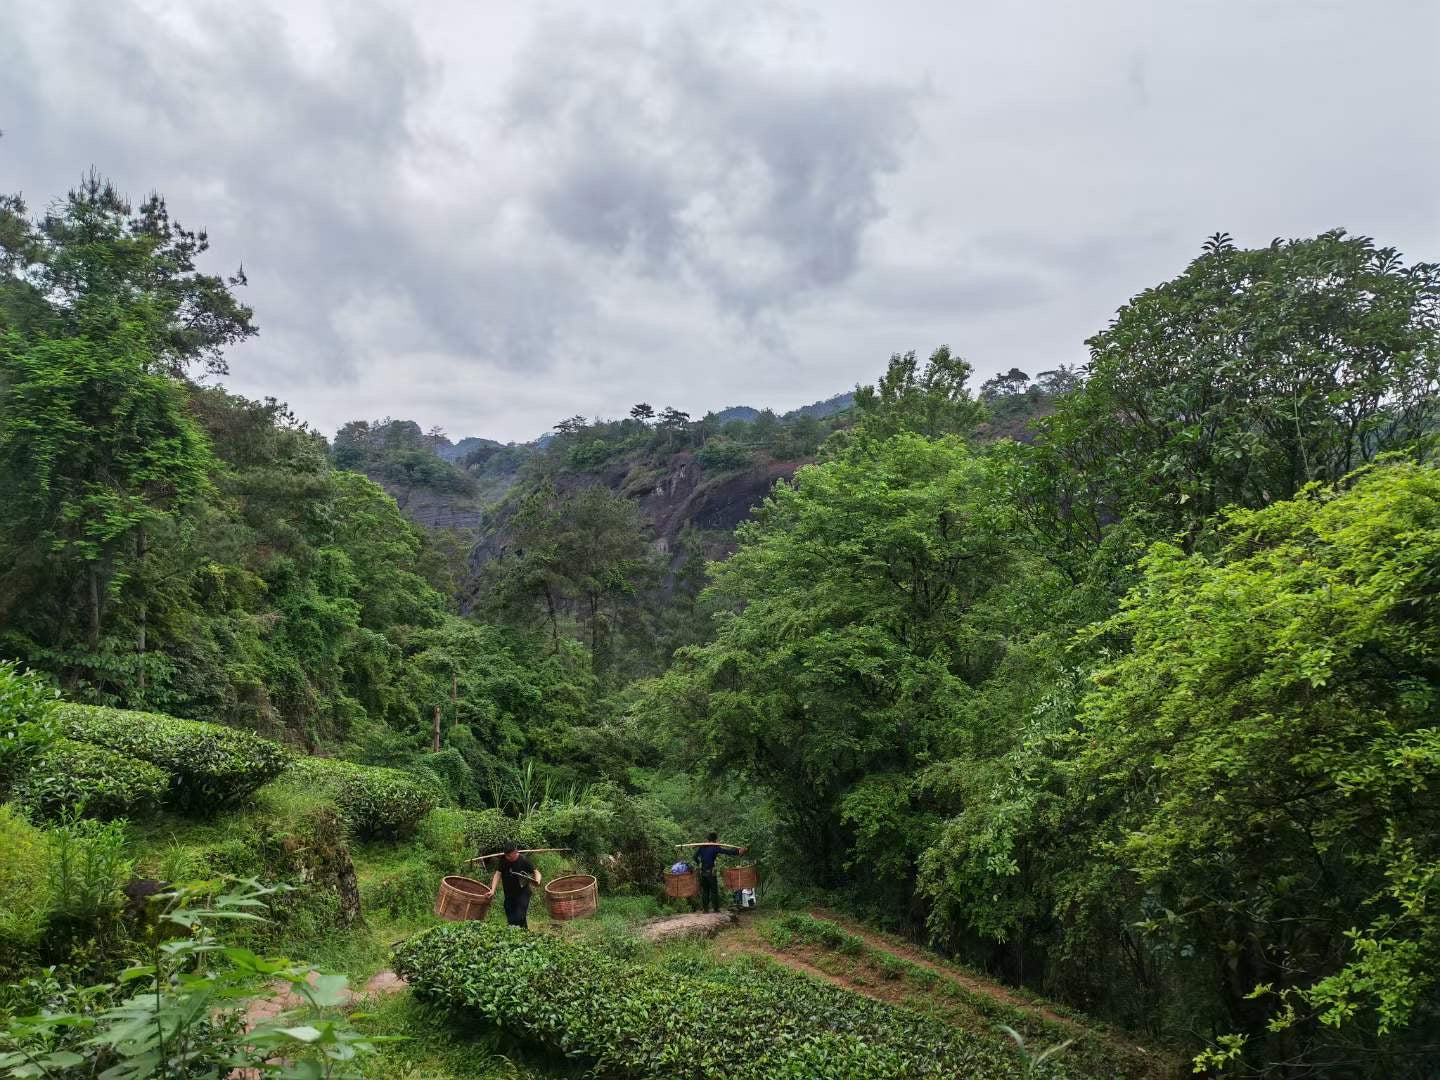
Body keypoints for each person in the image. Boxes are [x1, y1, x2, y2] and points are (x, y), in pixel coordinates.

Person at [490, 842, 541, 928]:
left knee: (519, 916)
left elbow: (536, 872)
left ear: (515, 852)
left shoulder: (524, 860)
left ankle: (520, 933)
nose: (507, 857)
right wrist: (492, 890)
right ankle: (523, 934)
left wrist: (537, 880)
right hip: (509, 895)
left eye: (509, 856)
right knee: (511, 919)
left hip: (523, 894)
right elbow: (497, 874)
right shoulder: (503, 860)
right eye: (506, 855)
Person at [695, 832, 746, 914]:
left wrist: (699, 863)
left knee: (705, 891)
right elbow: (727, 852)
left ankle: (705, 910)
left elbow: (694, 857)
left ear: (708, 839)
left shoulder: (702, 847)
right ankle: (715, 909)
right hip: (711, 872)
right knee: (713, 891)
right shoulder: (715, 848)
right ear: (715, 840)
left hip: (703, 872)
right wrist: (738, 852)